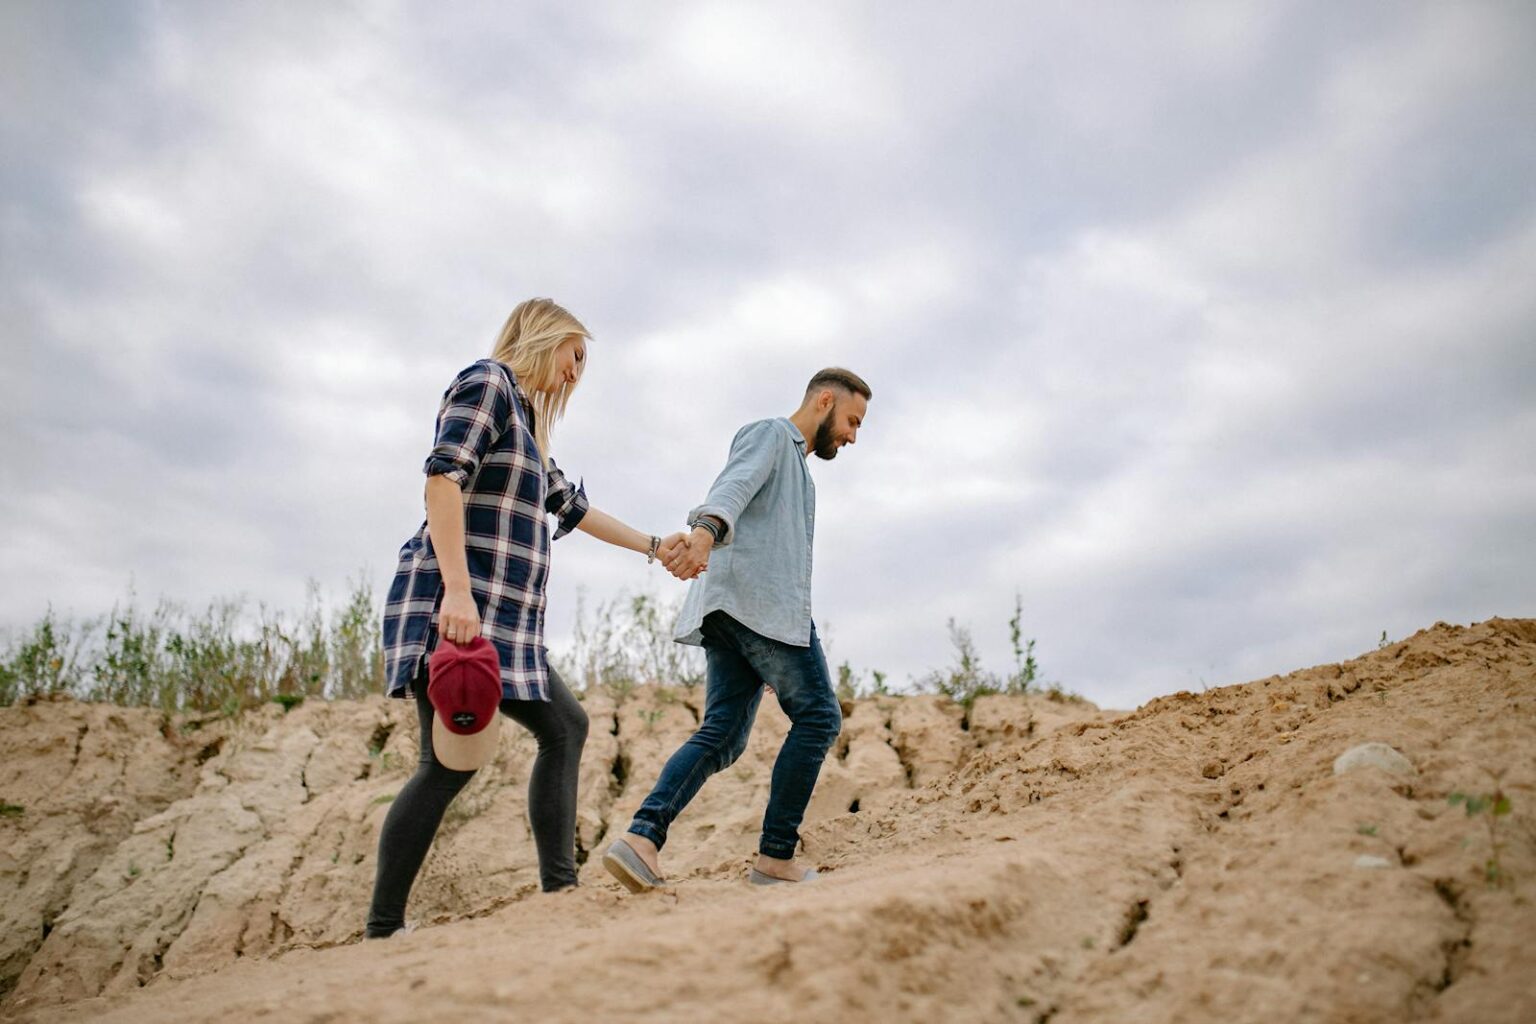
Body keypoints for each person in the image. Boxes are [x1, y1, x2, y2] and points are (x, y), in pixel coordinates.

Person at [367, 298, 681, 938]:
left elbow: (574, 508)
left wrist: (654, 545)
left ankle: (559, 894)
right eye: (575, 356)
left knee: (563, 726)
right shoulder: (489, 384)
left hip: (506, 623)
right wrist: (457, 594)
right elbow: (442, 481)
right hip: (456, 602)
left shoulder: (530, 429)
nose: (576, 374)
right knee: (447, 764)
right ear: (544, 338)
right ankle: (382, 927)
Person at [603, 368, 871, 890]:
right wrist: (704, 533)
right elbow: (732, 486)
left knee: (723, 734)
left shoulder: (800, 470)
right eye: (852, 421)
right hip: (759, 605)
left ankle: (642, 840)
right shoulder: (772, 434)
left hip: (735, 611)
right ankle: (775, 857)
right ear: (823, 401)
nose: (853, 436)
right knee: (818, 716)